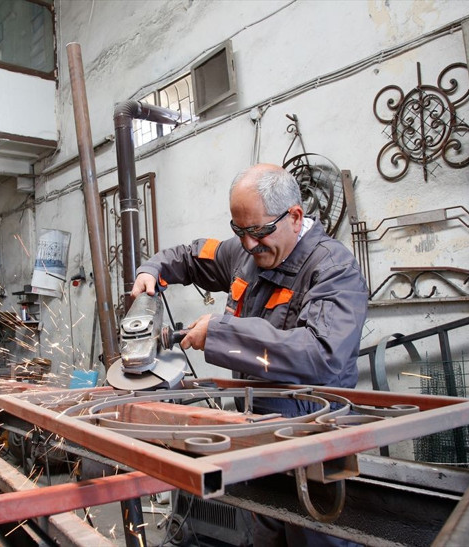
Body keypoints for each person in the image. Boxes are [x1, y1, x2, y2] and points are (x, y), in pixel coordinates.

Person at [131, 163, 368, 546]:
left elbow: (321, 354)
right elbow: (191, 255)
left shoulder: (333, 269)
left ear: (295, 216)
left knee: (315, 539)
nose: (248, 244)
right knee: (265, 536)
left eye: (257, 232)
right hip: (256, 434)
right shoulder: (245, 253)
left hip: (314, 441)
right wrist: (152, 269)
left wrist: (220, 333)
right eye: (238, 231)